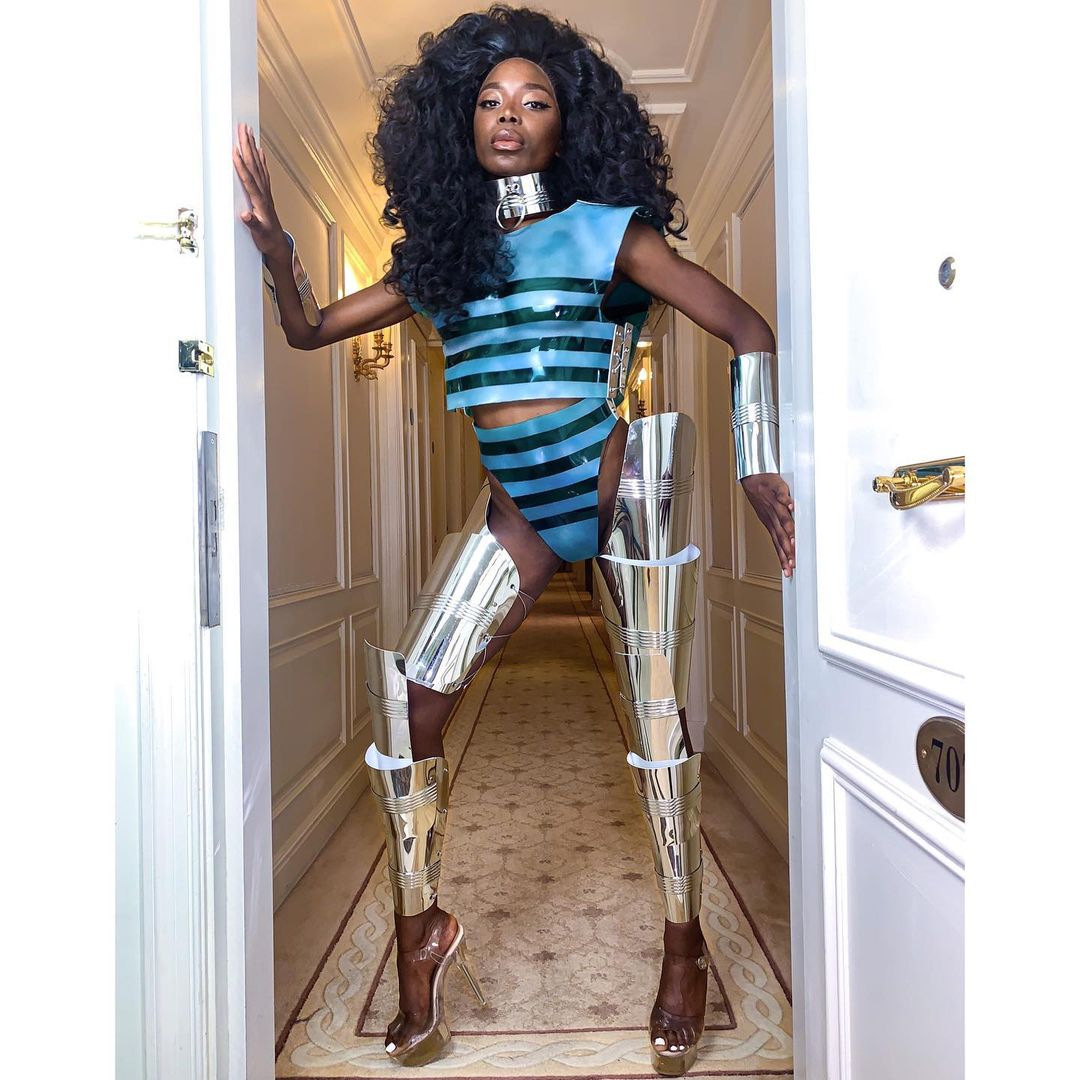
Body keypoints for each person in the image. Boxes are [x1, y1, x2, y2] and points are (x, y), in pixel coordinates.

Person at [234, 5, 794, 1073]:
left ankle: (684, 945)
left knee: (658, 725)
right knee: (411, 710)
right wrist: (275, 246)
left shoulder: (606, 229)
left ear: (562, 124)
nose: (509, 115)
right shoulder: (440, 263)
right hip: (519, 508)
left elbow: (745, 327)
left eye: (534, 102)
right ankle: (422, 935)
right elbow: (308, 330)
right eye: (491, 101)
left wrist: (757, 461)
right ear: (463, 121)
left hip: (617, 483)